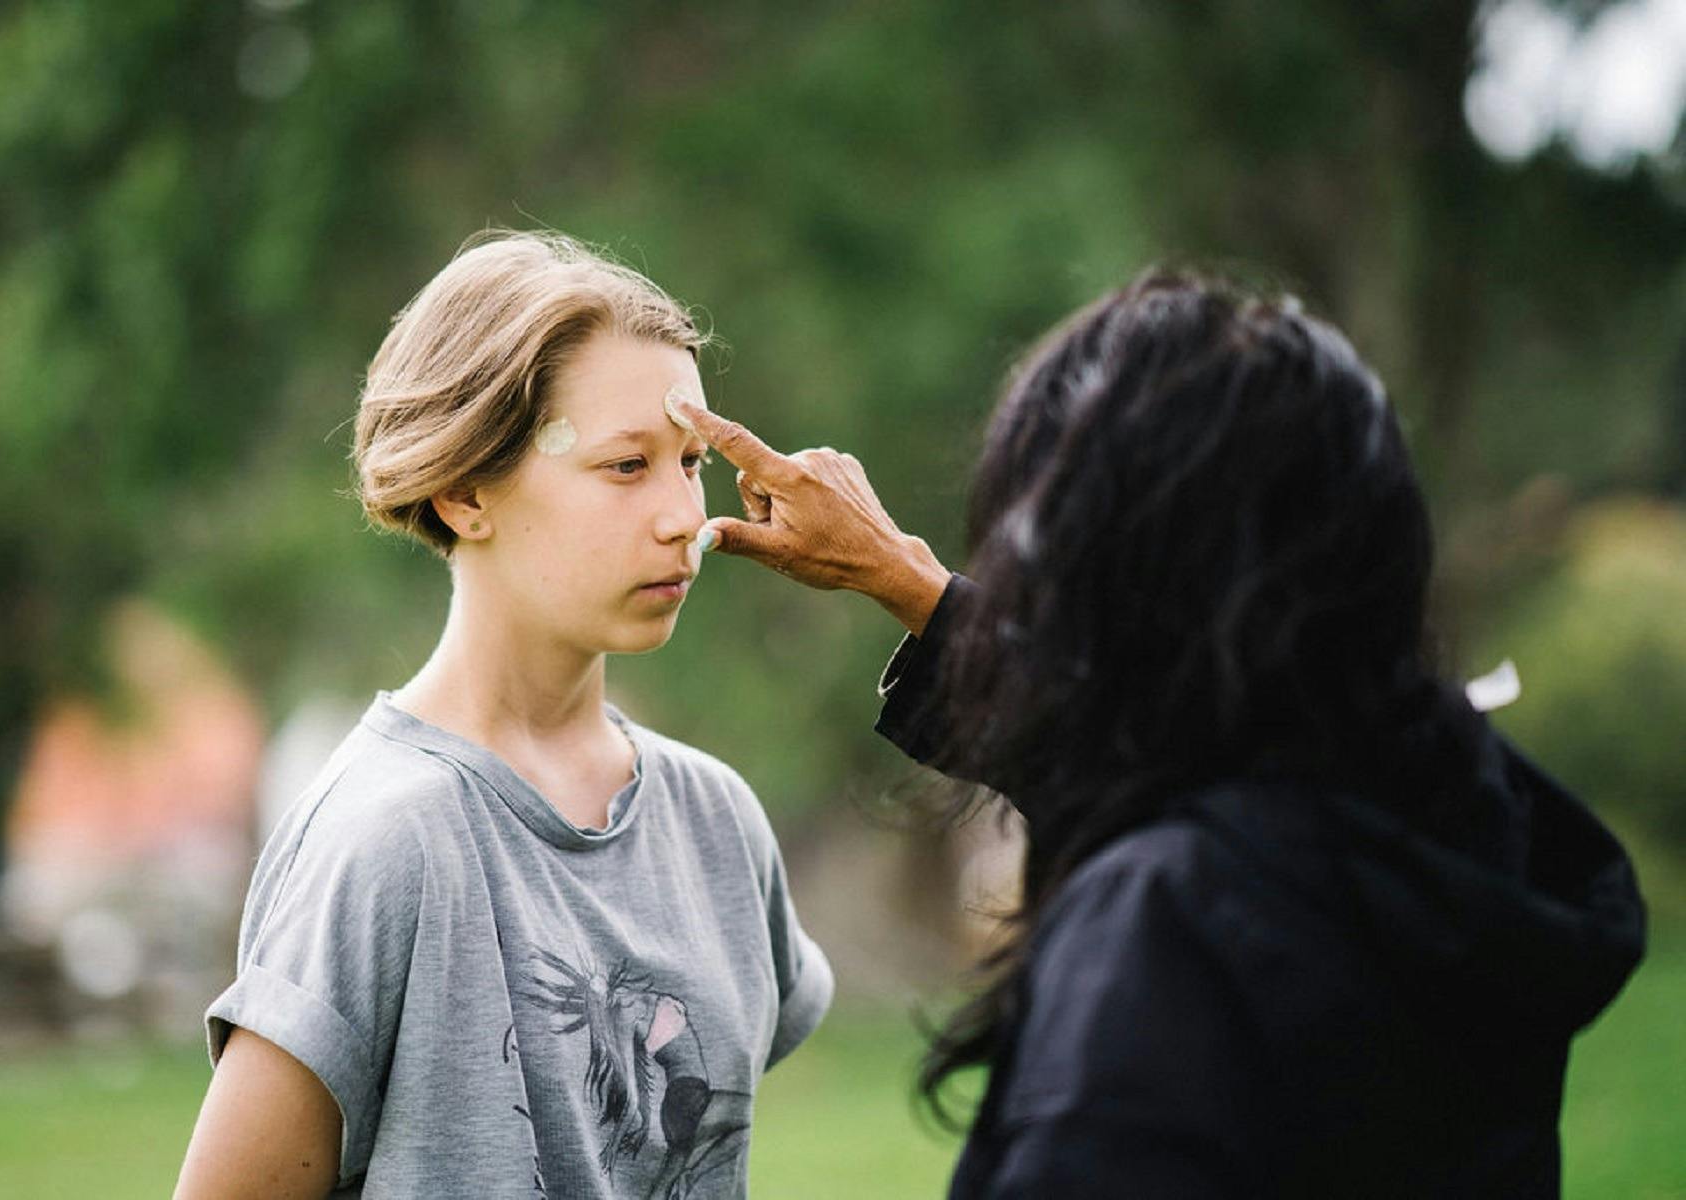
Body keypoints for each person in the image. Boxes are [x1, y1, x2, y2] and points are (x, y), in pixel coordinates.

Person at [674, 270, 1646, 1198]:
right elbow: (1177, 747)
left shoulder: (1177, 933)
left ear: (1125, 574)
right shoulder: (1451, 820)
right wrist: (906, 583)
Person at [174, 231, 832, 1199]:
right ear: (464, 491)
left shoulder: (717, 820)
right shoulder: (385, 842)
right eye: (623, 466)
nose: (683, 517)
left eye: (688, 463)